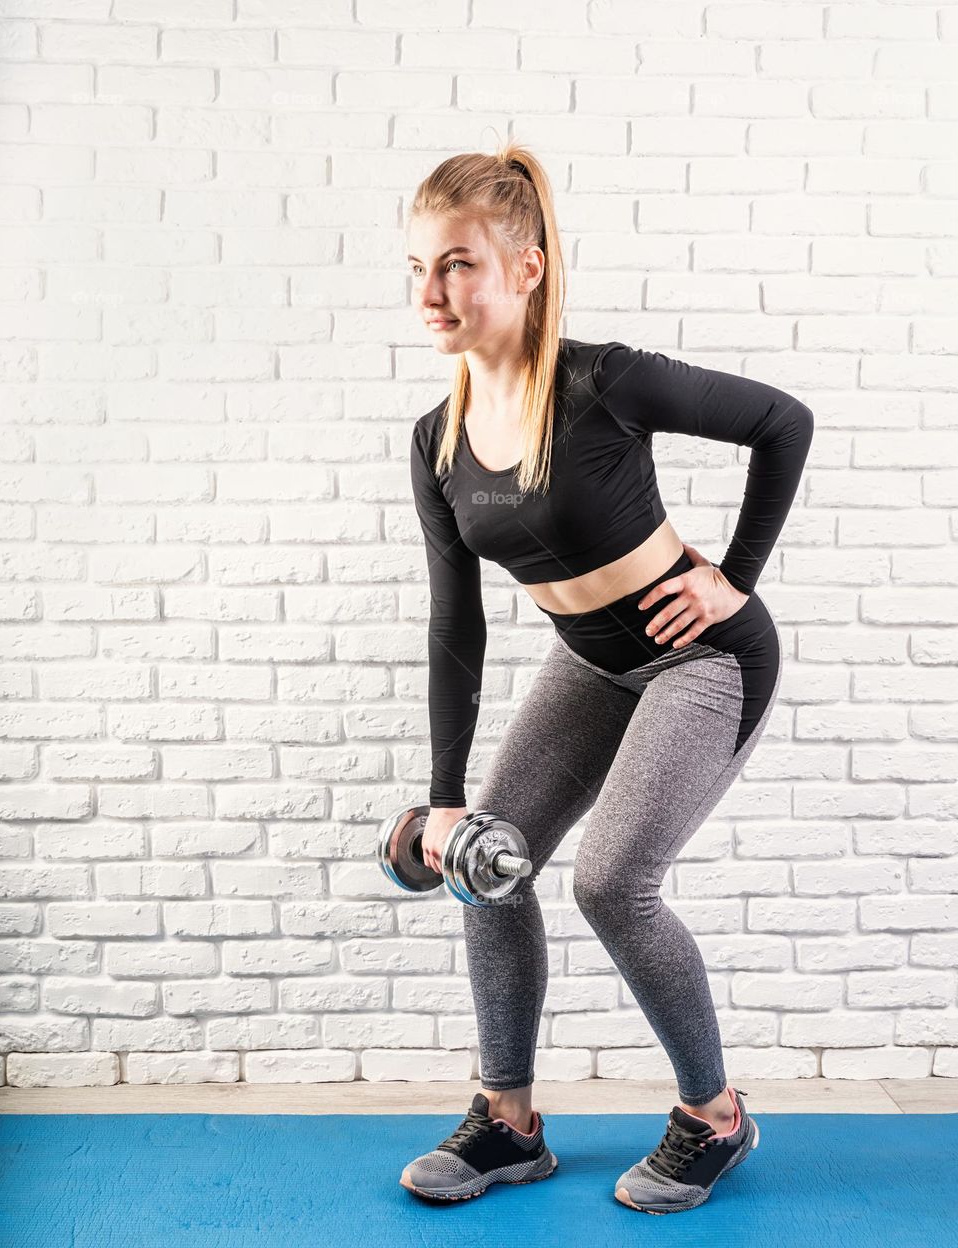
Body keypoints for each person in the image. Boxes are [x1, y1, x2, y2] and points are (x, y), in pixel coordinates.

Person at [398, 142, 813, 1214]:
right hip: (591, 663)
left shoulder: (604, 381)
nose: (431, 291)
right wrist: (448, 801)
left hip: (704, 659)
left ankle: (714, 1117)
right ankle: (507, 1123)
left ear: (525, 269)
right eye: (417, 268)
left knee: (610, 881)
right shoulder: (437, 441)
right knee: (489, 859)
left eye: (457, 265)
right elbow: (457, 626)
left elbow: (782, 422)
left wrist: (735, 580)